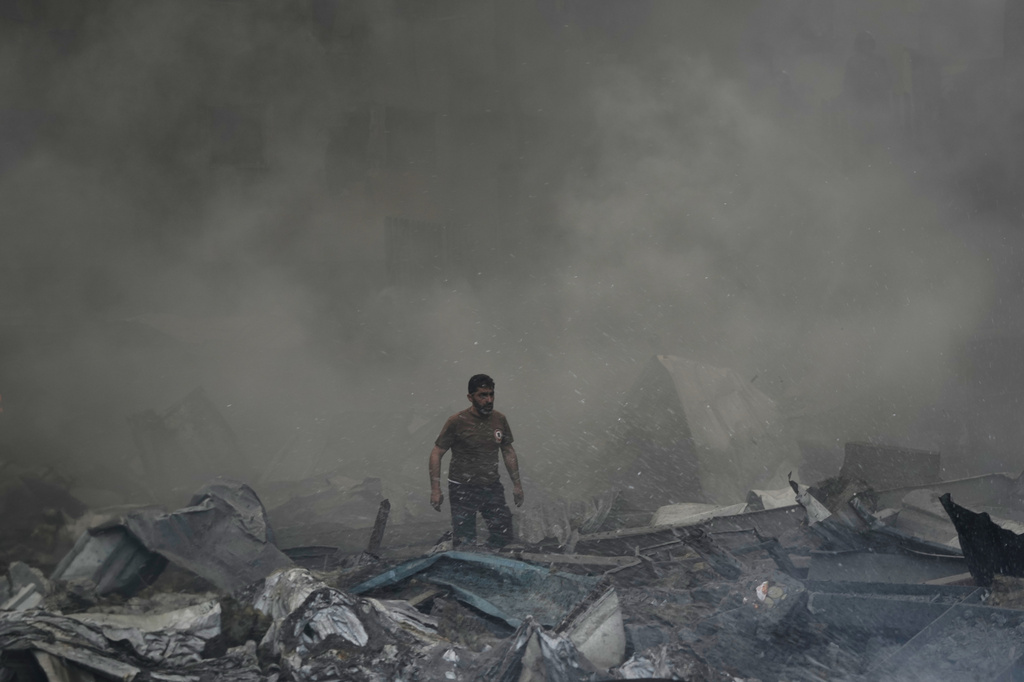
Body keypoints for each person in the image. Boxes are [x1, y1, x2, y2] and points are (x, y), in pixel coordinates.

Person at [428, 374, 524, 548]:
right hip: (462, 488)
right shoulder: (457, 421)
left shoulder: (499, 419)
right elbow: (437, 452)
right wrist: (436, 488)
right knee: (465, 540)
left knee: (503, 533)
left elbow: (508, 450)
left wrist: (517, 484)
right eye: (482, 395)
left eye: (491, 394)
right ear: (470, 397)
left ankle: (492, 563)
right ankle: (461, 556)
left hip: (491, 485)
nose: (489, 400)